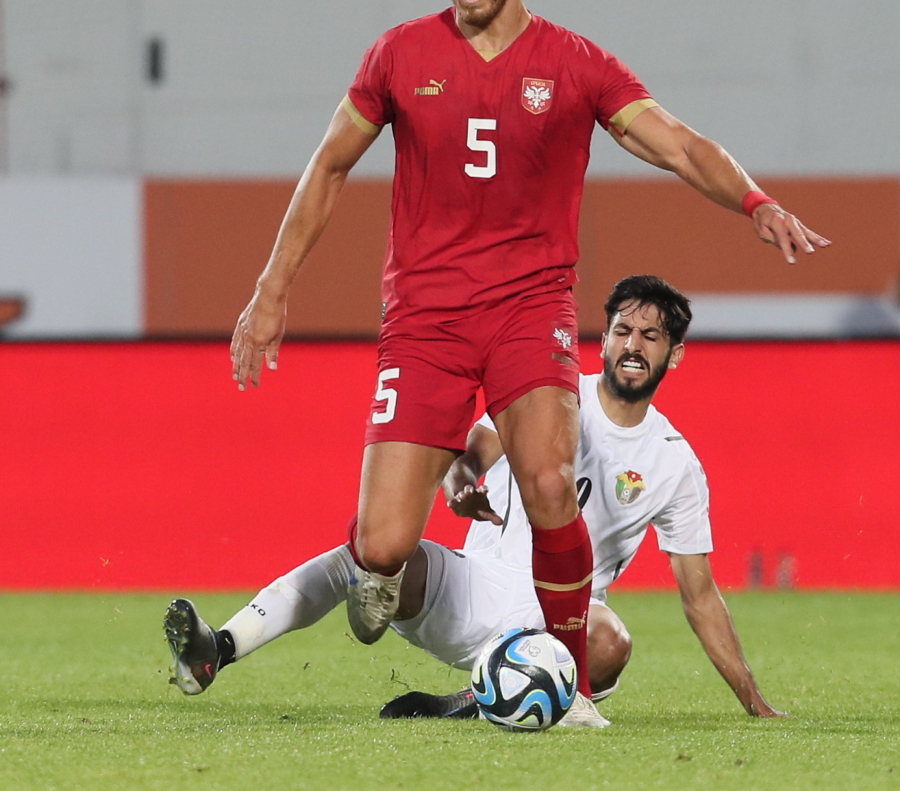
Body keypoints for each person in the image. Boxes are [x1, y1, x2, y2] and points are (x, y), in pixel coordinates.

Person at [227, 0, 826, 726]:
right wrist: (271, 289)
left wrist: (753, 200)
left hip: (527, 311)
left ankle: (569, 686)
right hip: (427, 321)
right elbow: (328, 166)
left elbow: (678, 144)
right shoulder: (399, 55)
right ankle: (375, 574)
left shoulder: (573, 64)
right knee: (383, 543)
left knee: (548, 483)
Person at [167, 275, 783, 723]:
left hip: (560, 620)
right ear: (603, 339)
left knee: (612, 642)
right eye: (623, 330)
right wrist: (461, 483)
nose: (633, 345)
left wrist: (753, 700)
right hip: (472, 585)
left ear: (675, 353)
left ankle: (474, 699)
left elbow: (699, 595)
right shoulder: (548, 396)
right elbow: (471, 453)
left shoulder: (675, 463)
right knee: (371, 555)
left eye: (651, 336)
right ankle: (217, 648)